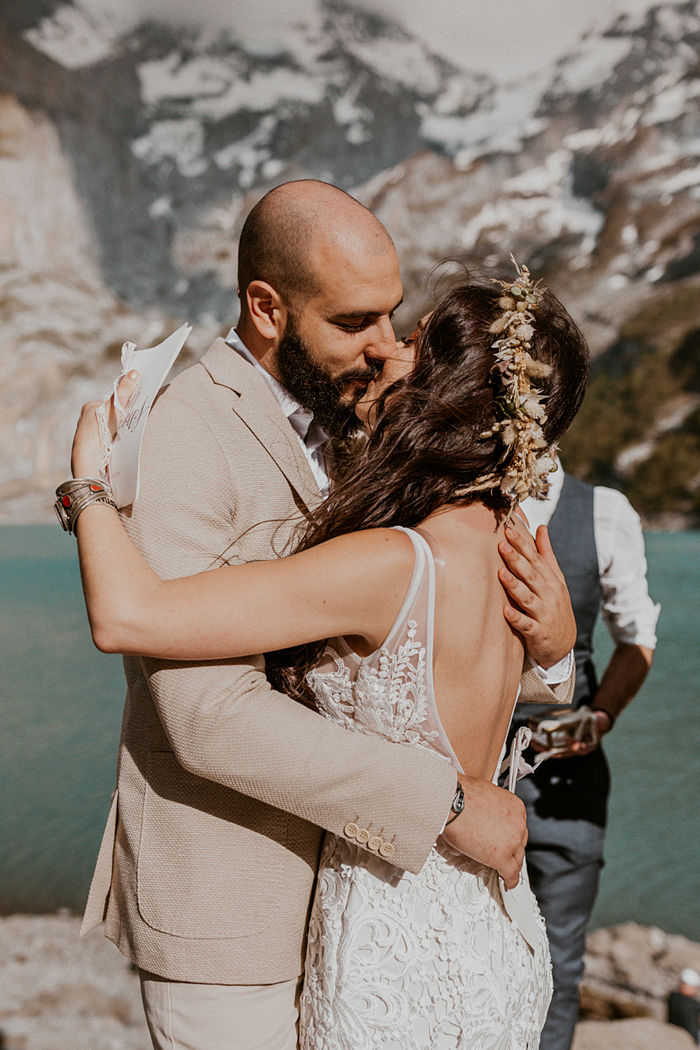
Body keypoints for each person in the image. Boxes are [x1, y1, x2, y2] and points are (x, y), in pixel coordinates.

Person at [65, 256, 590, 1048]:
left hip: (390, 944)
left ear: (448, 389)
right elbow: (488, 685)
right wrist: (559, 652)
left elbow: (129, 616)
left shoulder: (388, 560)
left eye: (414, 340)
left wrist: (86, 488)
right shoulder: (505, 541)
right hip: (488, 937)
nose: (388, 354)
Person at [512, 461, 659, 1050]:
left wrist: (588, 725)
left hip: (561, 771)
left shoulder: (604, 513)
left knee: (559, 967)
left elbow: (638, 636)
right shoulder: (451, 493)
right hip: (456, 775)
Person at [668, 968, 700, 1043]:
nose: (696, 990)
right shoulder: (693, 1005)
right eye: (695, 987)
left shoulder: (672, 998)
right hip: (692, 1038)